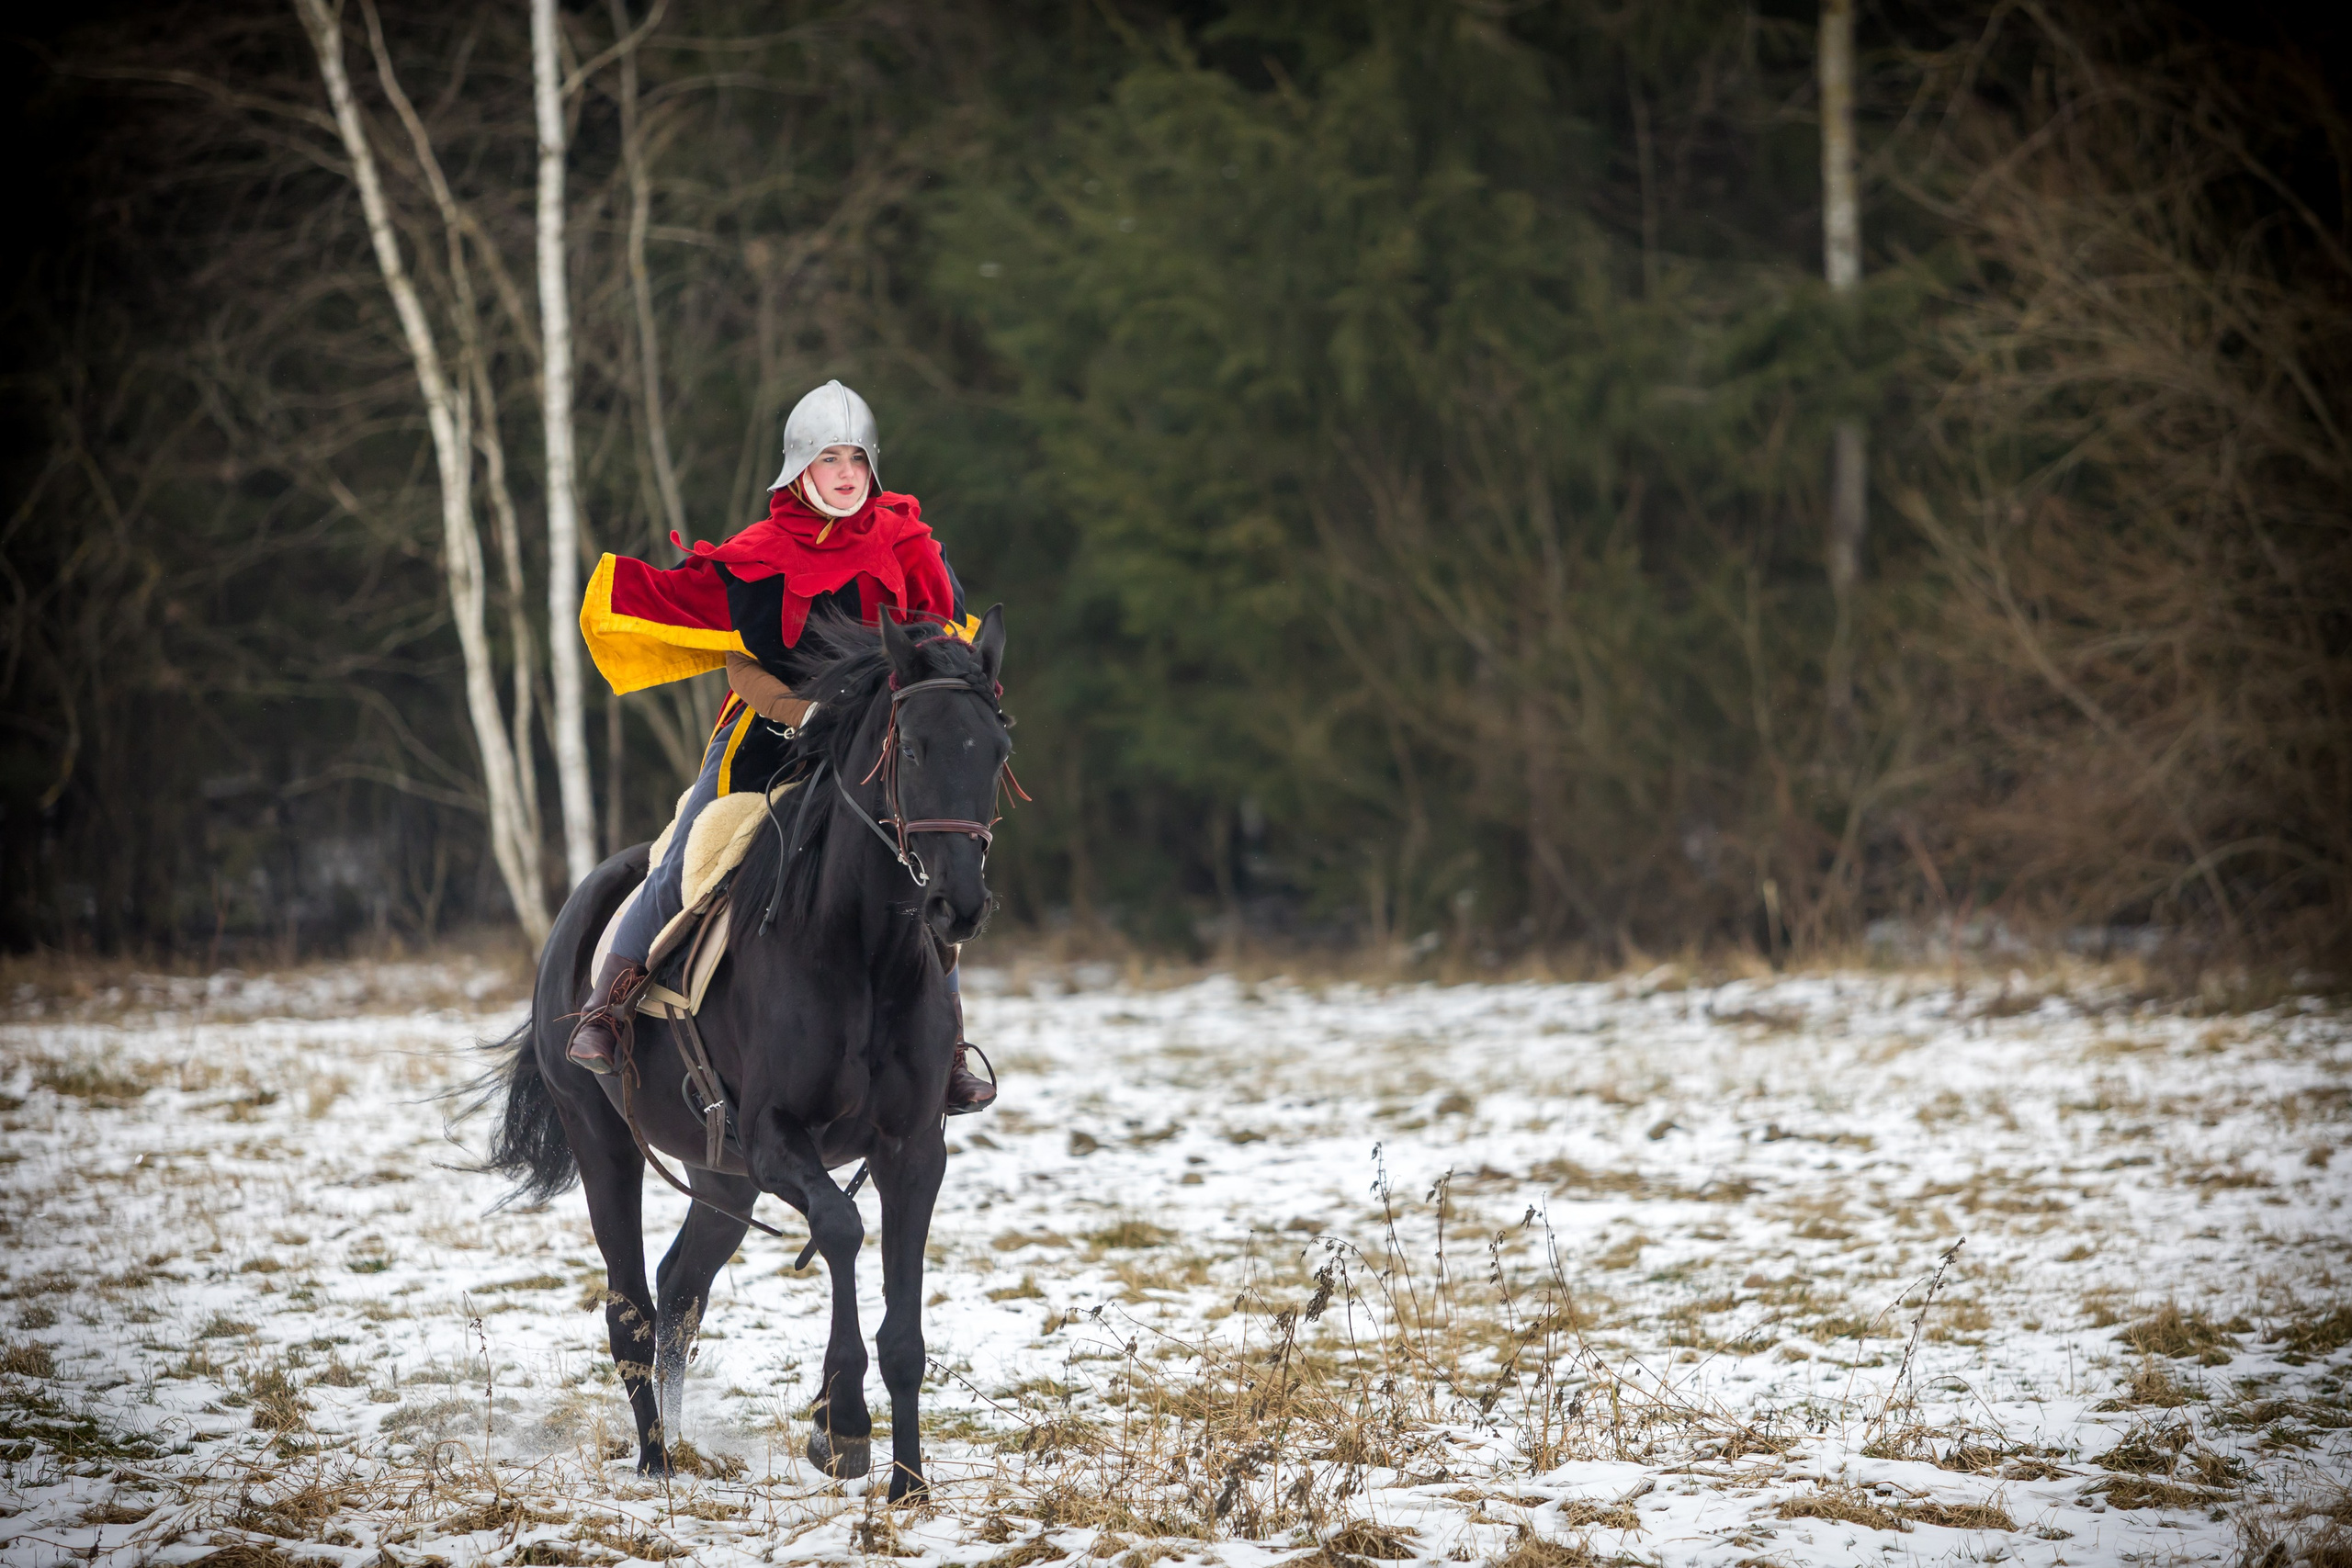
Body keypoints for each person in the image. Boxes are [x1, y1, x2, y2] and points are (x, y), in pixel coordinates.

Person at [568, 378, 997, 1113]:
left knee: (932, 858)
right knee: (697, 844)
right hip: (769, 736)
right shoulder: (758, 555)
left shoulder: (908, 544)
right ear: (800, 469)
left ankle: (949, 1044)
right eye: (830, 459)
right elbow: (740, 664)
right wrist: (802, 711)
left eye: (857, 460)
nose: (846, 474)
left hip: (876, 746)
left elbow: (937, 647)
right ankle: (609, 1004)